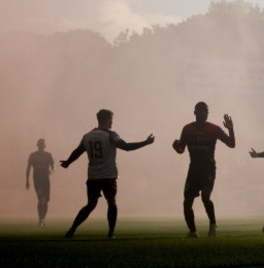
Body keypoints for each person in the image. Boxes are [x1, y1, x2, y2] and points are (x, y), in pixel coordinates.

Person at [60, 109, 155, 238]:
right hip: (108, 176)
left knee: (90, 205)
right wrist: (146, 142)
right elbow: (126, 147)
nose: (112, 121)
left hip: (93, 176)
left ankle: (72, 229)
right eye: (111, 119)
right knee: (111, 202)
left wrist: (68, 162)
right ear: (106, 119)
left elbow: (78, 151)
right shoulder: (111, 135)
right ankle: (111, 233)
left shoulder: (87, 136)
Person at [173, 101, 235, 238]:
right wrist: (176, 146)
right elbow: (181, 149)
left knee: (205, 197)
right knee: (187, 202)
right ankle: (193, 232)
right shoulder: (187, 129)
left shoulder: (214, 129)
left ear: (207, 113)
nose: (202, 113)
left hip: (208, 169)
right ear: (195, 113)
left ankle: (213, 225)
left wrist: (230, 129)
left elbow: (231, 144)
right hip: (193, 170)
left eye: (205, 111)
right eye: (199, 111)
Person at [26, 138, 55, 227]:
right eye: (40, 144)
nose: (41, 146)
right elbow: (28, 168)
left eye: (43, 144)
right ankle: (41, 219)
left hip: (46, 180)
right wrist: (27, 181)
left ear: (44, 146)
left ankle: (42, 219)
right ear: (37, 145)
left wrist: (51, 171)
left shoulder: (48, 155)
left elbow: (53, 168)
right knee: (41, 198)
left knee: (45, 201)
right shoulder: (33, 155)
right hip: (37, 180)